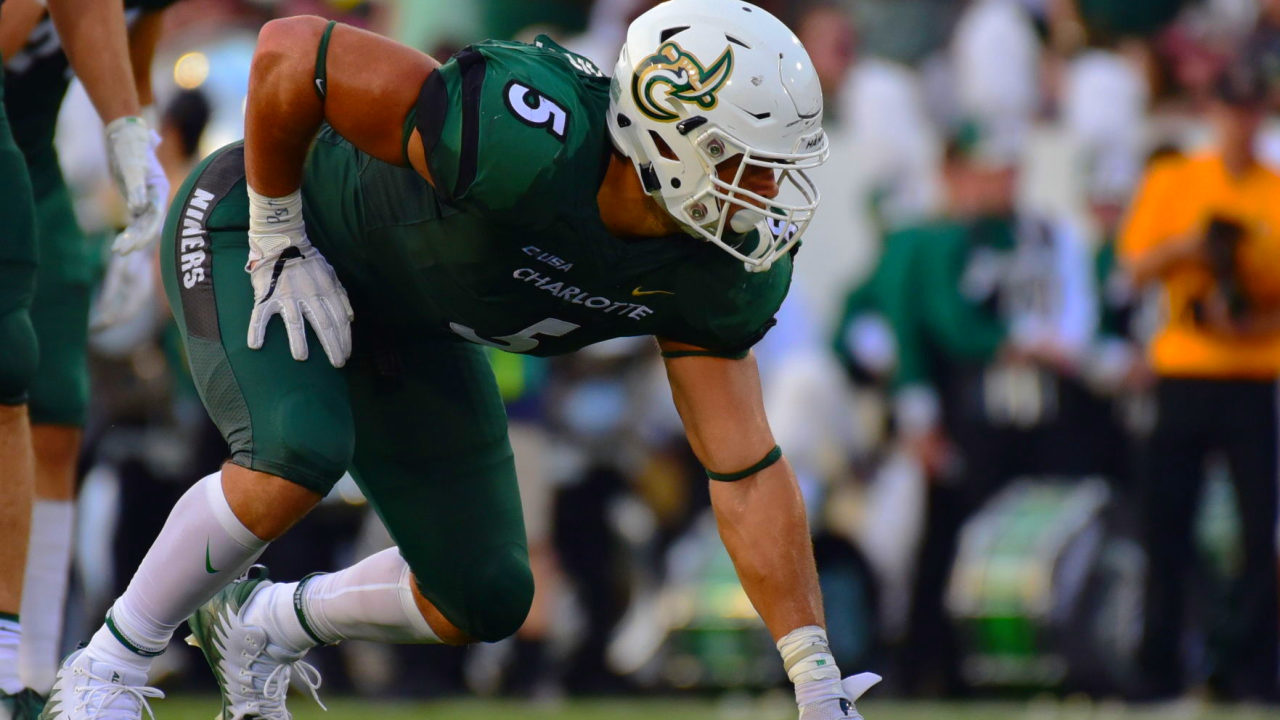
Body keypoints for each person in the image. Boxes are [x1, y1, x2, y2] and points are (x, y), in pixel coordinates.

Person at [43, 2, 881, 720]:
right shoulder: (527, 138)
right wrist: (276, 229)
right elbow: (291, 52)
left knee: (482, 595)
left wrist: (813, 675)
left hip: (407, 320)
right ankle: (107, 665)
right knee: (296, 452)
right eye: (747, 166)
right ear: (670, 134)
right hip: (270, 232)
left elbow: (743, 466)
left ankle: (263, 622)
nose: (766, 198)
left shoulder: (713, 266)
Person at [0, 0, 169, 717]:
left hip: (26, 159)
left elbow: (124, 53)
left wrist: (135, 149)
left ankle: (28, 669)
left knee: (50, 401)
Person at [1120, 61, 1280, 703]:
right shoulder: (1177, 179)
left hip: (1251, 371)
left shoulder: (1271, 191)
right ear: (1211, 113)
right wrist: (1192, 246)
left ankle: (1246, 667)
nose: (1238, 124)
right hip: (1184, 368)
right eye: (1228, 109)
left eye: (1249, 111)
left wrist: (1248, 316)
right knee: (1167, 523)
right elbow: (1134, 266)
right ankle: (1158, 665)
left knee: (1256, 528)